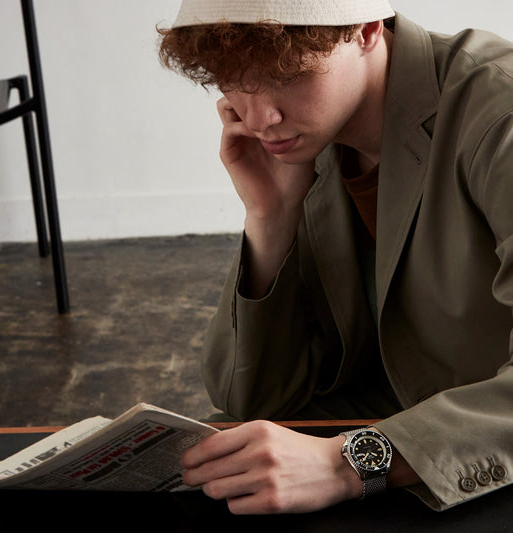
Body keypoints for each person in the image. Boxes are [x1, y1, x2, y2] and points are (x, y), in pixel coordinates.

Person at [157, 0, 513, 515]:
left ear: (366, 30)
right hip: (401, 411)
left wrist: (348, 463)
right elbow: (251, 397)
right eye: (231, 82)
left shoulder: (499, 114)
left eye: (288, 76)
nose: (260, 119)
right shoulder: (310, 141)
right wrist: (271, 217)